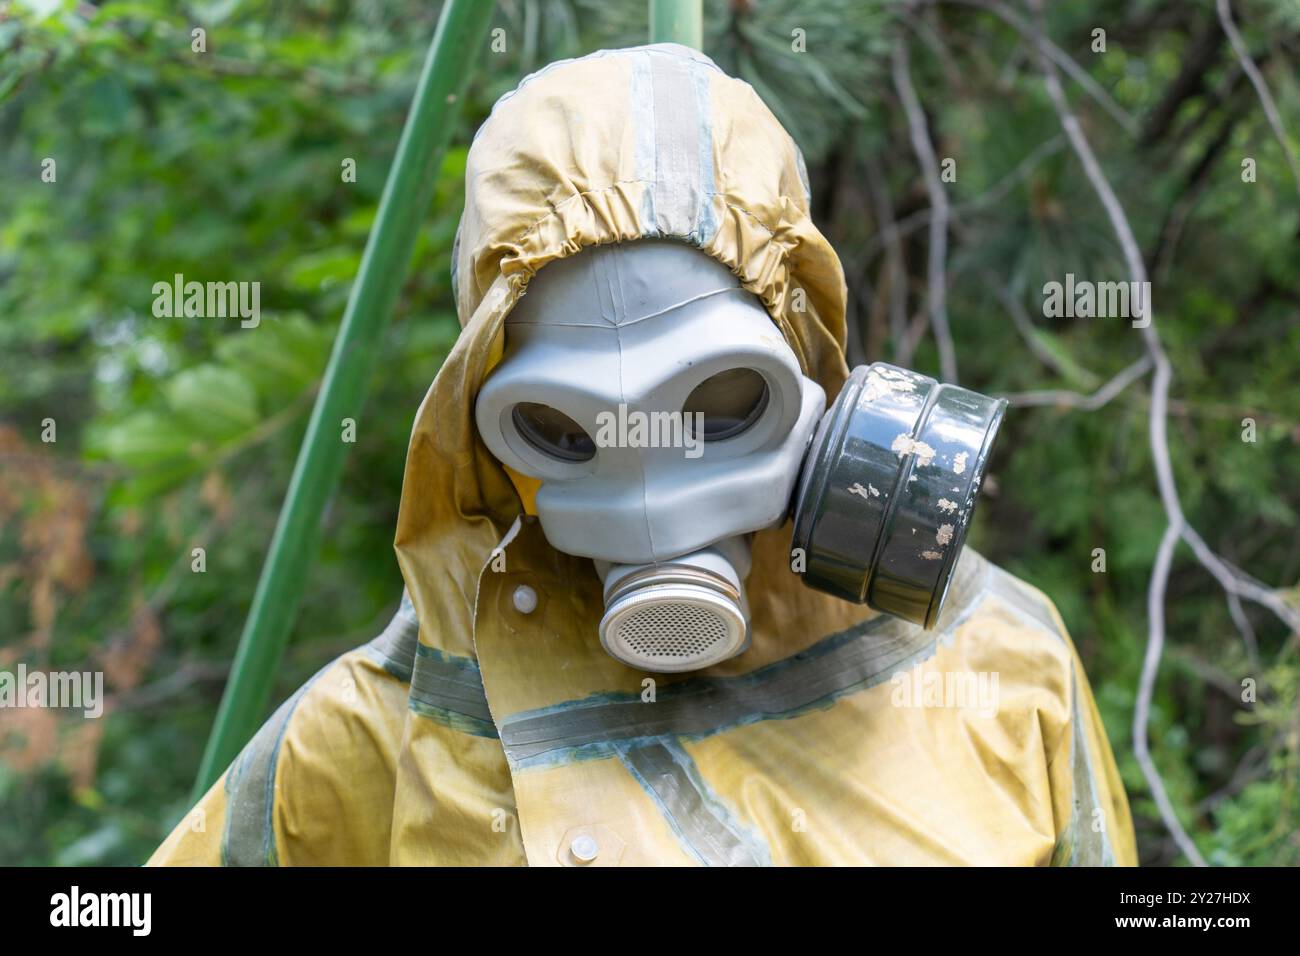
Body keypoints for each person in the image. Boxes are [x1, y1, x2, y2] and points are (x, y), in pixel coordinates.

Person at [151, 43, 1135, 867]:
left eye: (717, 400)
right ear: (480, 428)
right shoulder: (381, 738)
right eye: (565, 427)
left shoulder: (995, 662)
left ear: (806, 356)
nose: (652, 489)